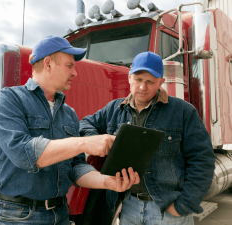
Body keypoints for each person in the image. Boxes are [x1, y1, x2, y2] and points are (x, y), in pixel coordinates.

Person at [0, 35, 140, 225]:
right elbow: (24, 153)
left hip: (60, 213)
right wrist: (85, 143)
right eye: (70, 65)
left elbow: (75, 168)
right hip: (19, 216)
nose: (75, 72)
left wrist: (106, 182)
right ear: (48, 64)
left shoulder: (68, 113)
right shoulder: (9, 100)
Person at [79, 52, 215, 225]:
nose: (143, 86)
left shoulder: (183, 112)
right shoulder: (113, 109)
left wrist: (184, 205)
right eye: (138, 79)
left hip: (167, 211)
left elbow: (203, 160)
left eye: (150, 81)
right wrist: (100, 141)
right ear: (129, 78)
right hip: (128, 207)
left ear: (161, 82)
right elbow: (85, 124)